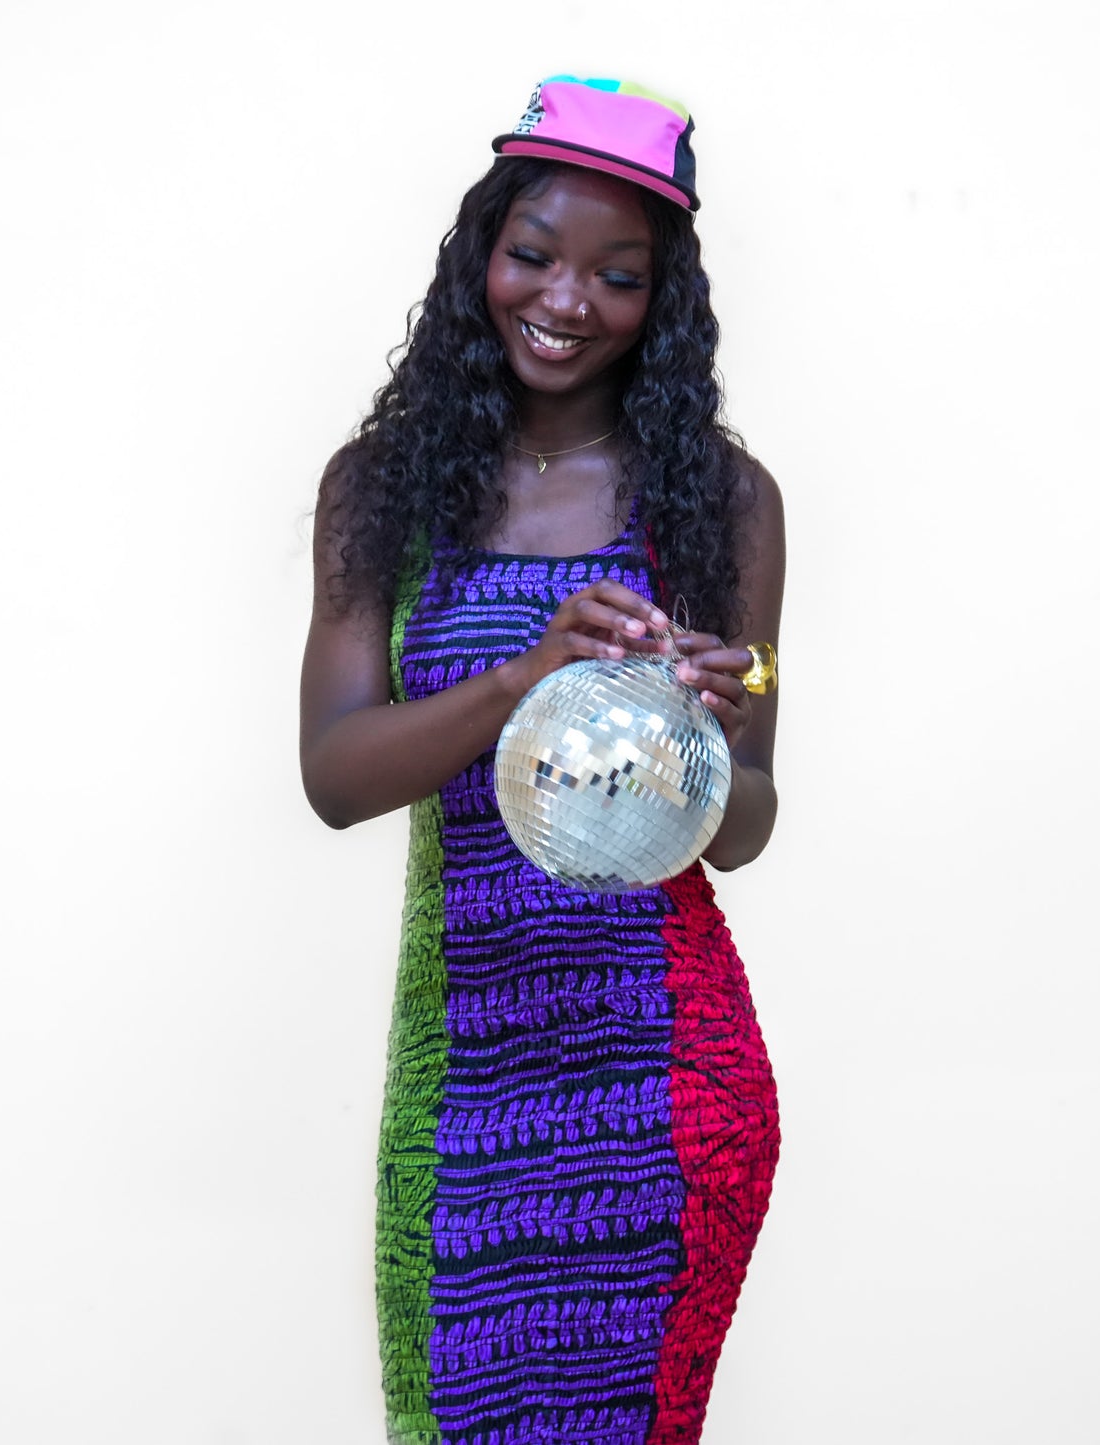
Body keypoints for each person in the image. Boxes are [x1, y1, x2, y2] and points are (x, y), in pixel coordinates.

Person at [300, 75, 785, 1445]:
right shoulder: (381, 488)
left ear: (662, 301)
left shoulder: (724, 500)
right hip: (465, 1078)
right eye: (533, 255)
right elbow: (335, 776)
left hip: (663, 1085)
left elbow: (748, 825)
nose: (567, 299)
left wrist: (713, 736)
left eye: (617, 276)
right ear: (482, 257)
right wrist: (526, 674)